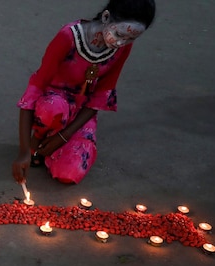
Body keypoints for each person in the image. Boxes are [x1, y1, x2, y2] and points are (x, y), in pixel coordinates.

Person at [11, 0, 156, 185]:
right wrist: (23, 152)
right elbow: (37, 85)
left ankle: (53, 144)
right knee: (51, 108)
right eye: (119, 34)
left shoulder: (123, 47)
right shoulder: (68, 36)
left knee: (69, 174)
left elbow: (102, 95)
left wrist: (64, 136)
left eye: (130, 39)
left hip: (81, 111)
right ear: (105, 17)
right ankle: (38, 139)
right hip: (53, 102)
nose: (122, 42)